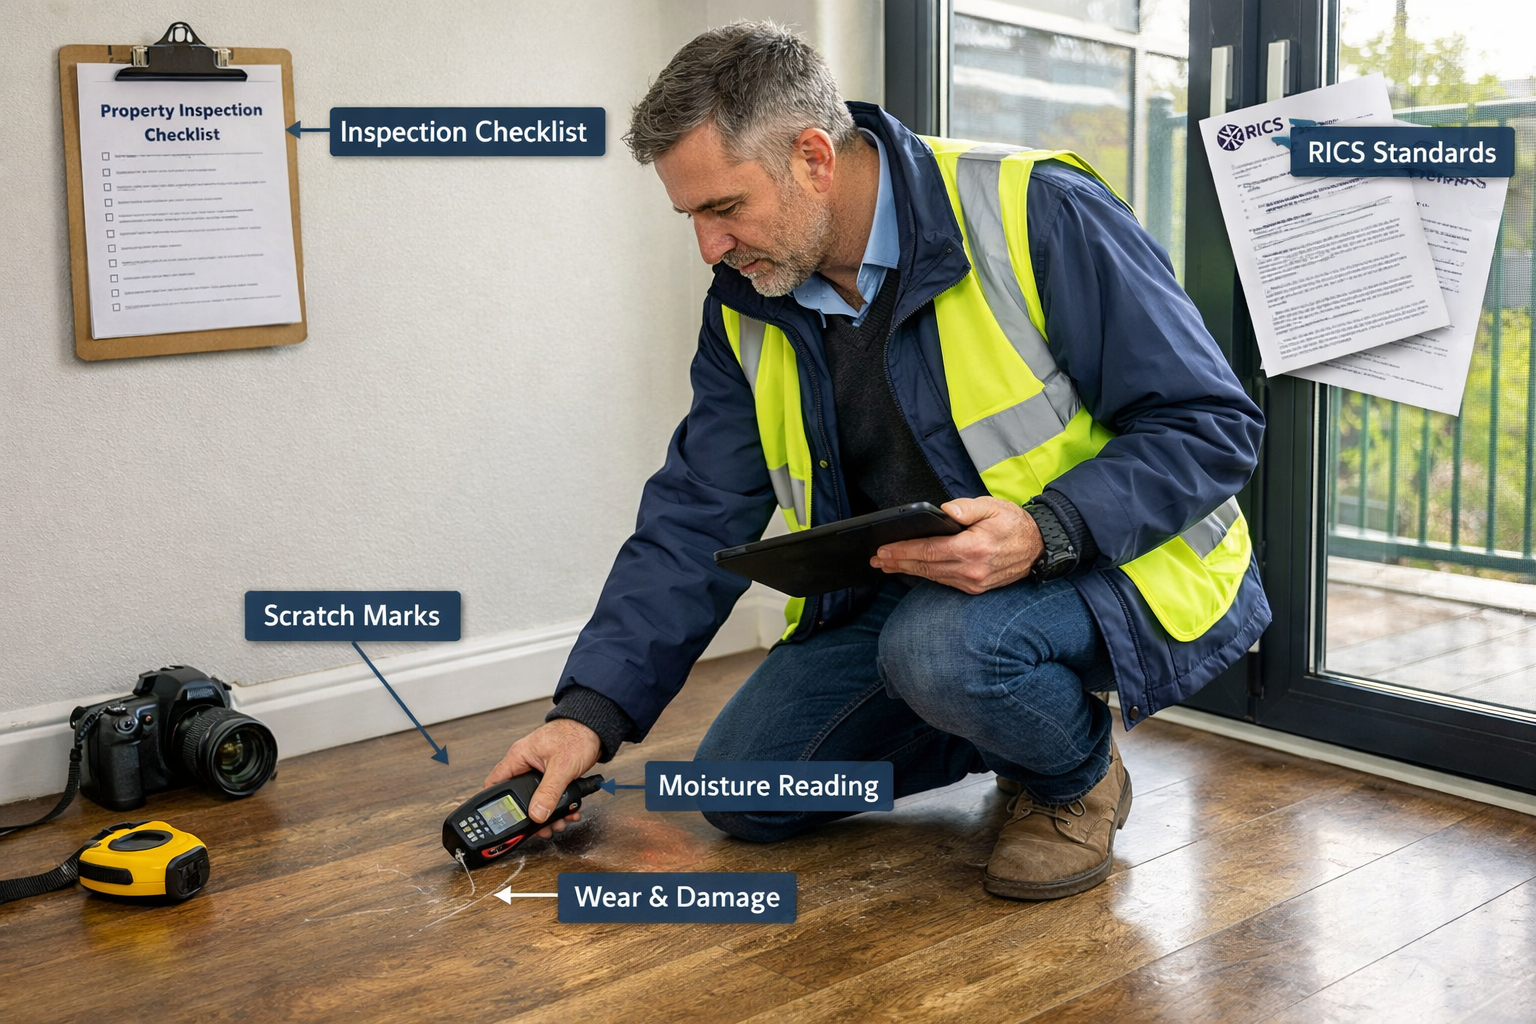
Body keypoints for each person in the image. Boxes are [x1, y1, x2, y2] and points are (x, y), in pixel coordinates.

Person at [485, 22, 1269, 900]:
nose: (710, 247)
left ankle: (1073, 780)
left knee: (939, 651)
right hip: (915, 592)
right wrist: (586, 717)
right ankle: (1009, 721)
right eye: (691, 216)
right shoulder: (749, 301)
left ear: (814, 156)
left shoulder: (1036, 211)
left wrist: (1047, 530)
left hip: (1112, 559)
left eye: (724, 208)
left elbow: (1210, 422)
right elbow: (695, 512)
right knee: (743, 792)